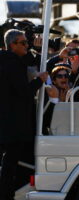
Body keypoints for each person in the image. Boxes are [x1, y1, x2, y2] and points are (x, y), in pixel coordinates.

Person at [0, 29, 48, 200]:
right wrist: (39, 80)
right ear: (13, 45)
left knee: (8, 164)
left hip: (7, 122)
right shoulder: (12, 64)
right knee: (9, 166)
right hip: (13, 124)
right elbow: (24, 92)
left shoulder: (7, 60)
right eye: (23, 43)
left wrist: (38, 51)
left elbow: (26, 60)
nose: (27, 45)